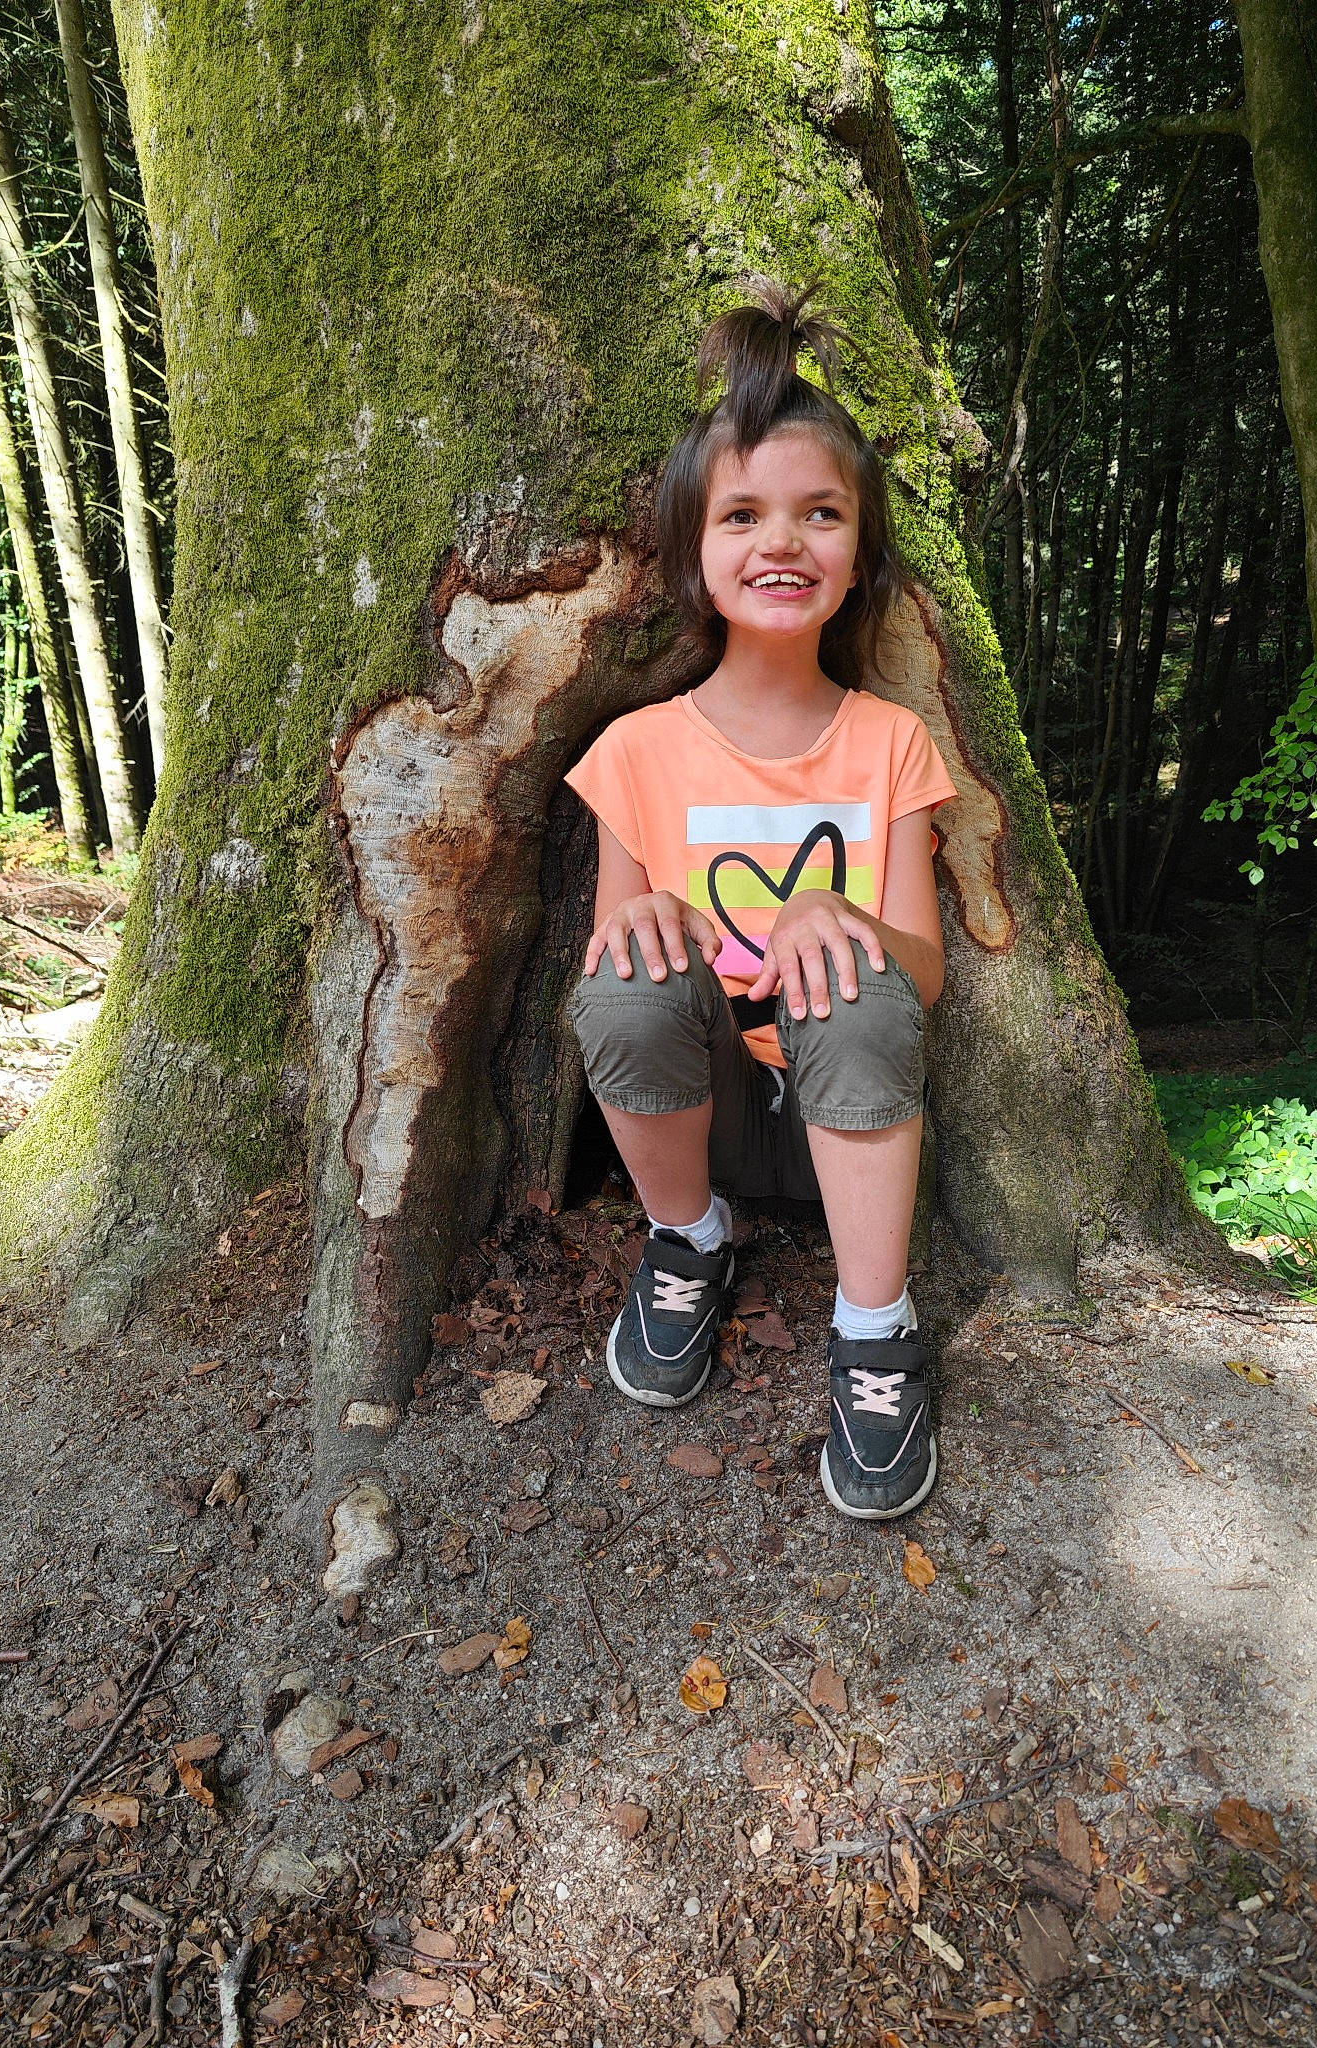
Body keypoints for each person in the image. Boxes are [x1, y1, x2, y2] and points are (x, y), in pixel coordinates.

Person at [565, 279, 957, 1520]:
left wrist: (836, 920)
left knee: (857, 978)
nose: (781, 542)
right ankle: (689, 1241)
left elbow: (925, 971)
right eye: (742, 514)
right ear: (694, 552)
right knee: (624, 978)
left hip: (857, 1108)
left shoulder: (891, 742)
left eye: (819, 513)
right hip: (704, 1120)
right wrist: (654, 924)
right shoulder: (636, 750)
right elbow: (614, 961)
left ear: (860, 553)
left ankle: (875, 1327)